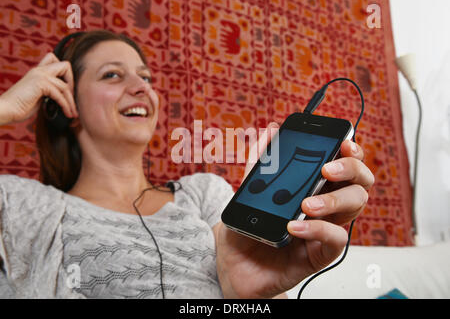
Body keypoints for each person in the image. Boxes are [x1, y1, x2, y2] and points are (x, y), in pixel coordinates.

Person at [0, 30, 374, 298]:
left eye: (145, 77)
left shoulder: (204, 193)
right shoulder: (26, 207)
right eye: (112, 74)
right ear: (64, 102)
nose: (141, 87)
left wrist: (250, 300)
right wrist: (6, 107)